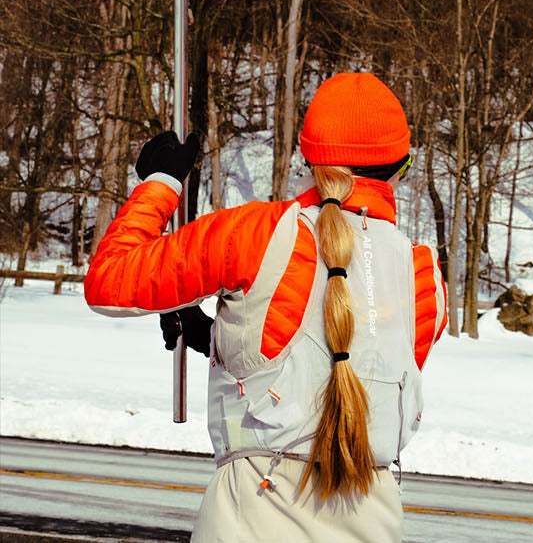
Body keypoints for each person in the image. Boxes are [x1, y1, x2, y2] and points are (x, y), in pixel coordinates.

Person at [85, 72, 446, 542]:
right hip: (372, 520)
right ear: (403, 166)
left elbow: (109, 280)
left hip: (251, 517)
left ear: (307, 157)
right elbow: (349, 366)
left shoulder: (255, 234)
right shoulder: (423, 275)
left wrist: (162, 182)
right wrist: (218, 336)